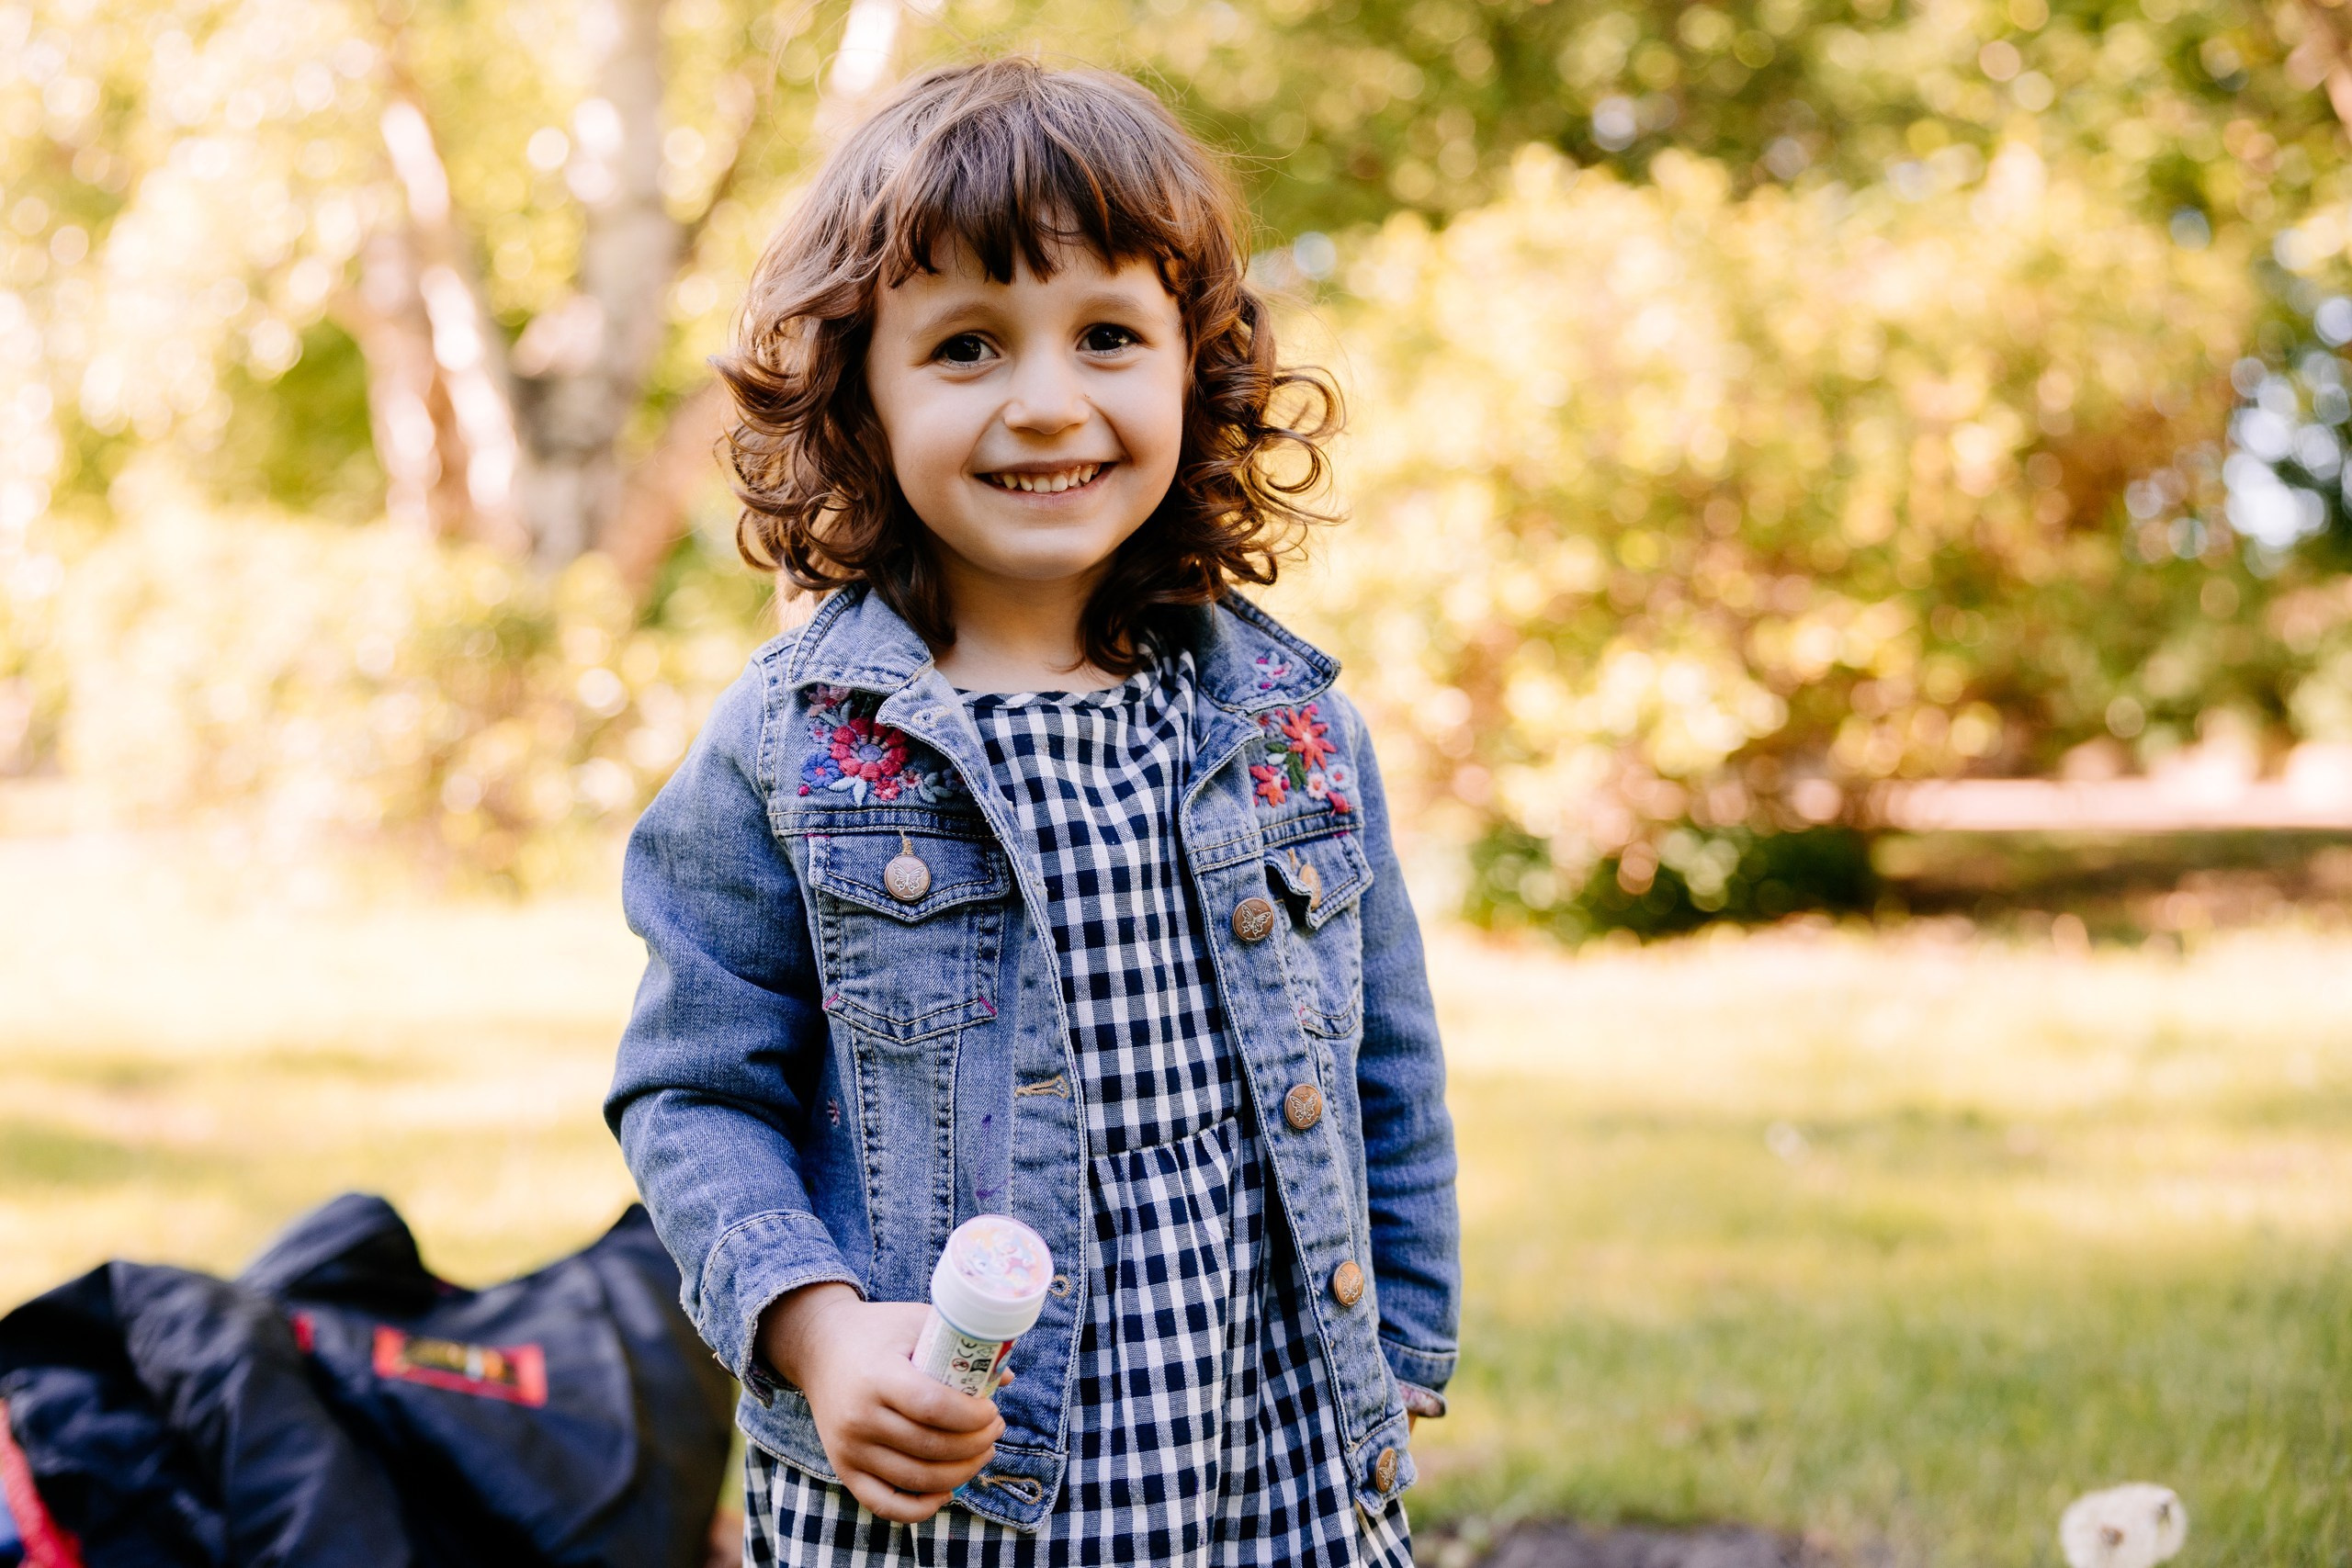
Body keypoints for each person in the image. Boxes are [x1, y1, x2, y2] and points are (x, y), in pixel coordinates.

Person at [605, 56, 1459, 1568]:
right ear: (858, 389)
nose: (1048, 401)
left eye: (1111, 335)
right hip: (959, 1495)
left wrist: (1391, 1352)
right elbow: (698, 1089)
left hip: (1274, 1468)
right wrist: (818, 1334)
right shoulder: (796, 743)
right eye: (969, 347)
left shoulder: (1285, 722)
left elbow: (1383, 1052)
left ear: (1200, 370)